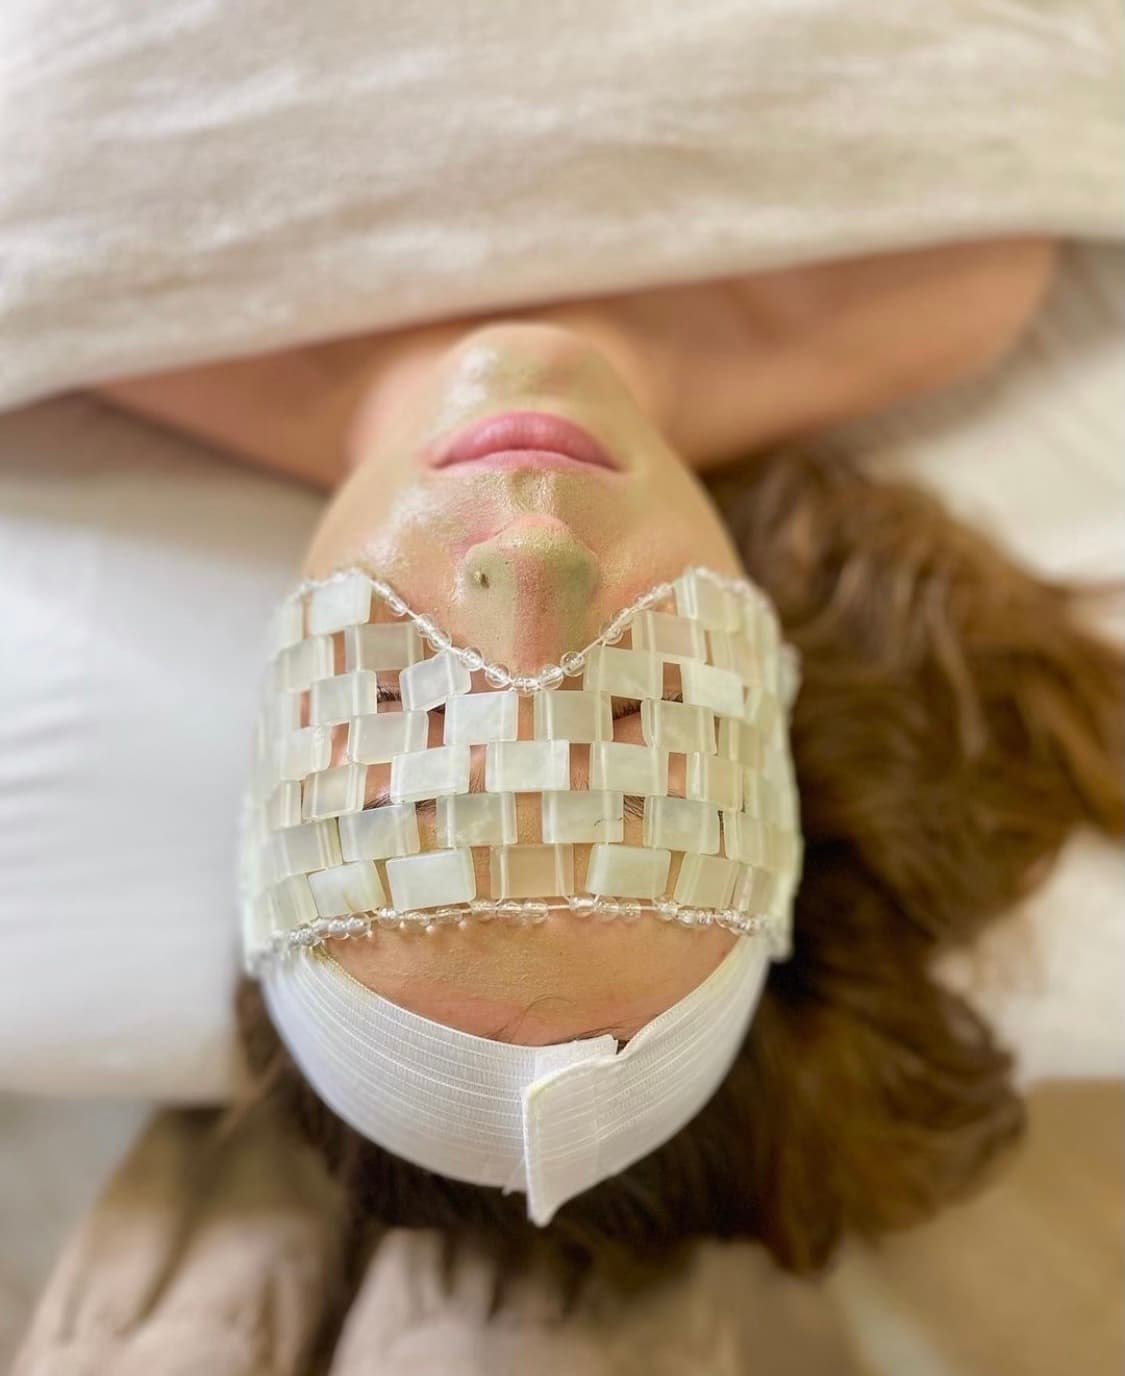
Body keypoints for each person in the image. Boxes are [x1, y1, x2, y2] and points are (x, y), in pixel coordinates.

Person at [75, 240, 1119, 1284]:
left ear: (276, 706)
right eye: (637, 702)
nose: (536, 561)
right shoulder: (937, 279)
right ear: (765, 680)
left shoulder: (82, 276)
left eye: (403, 706)